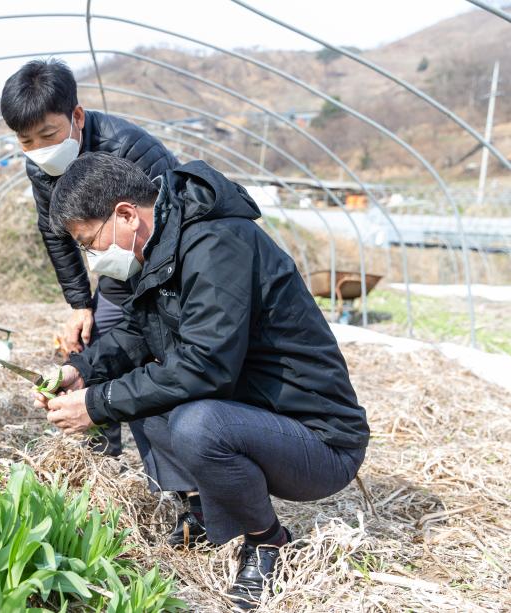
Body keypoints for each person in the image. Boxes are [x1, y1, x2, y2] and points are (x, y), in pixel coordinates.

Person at [37, 153, 369, 608]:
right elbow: (138, 331)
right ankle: (202, 509)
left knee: (196, 422)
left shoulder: (217, 243)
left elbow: (205, 366)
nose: (92, 258)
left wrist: (97, 404)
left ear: (127, 214)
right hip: (255, 415)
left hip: (317, 440)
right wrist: (84, 370)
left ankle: (267, 540)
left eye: (89, 242)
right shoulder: (163, 245)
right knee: (144, 393)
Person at [0, 58, 178, 461]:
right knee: (95, 348)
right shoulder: (40, 167)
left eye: (49, 134)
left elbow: (167, 225)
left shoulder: (133, 150)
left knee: (158, 353)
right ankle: (101, 455)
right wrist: (80, 303)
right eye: (26, 142)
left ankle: (175, 477)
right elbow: (55, 230)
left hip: (160, 264)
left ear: (76, 116)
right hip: (114, 265)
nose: (40, 151)